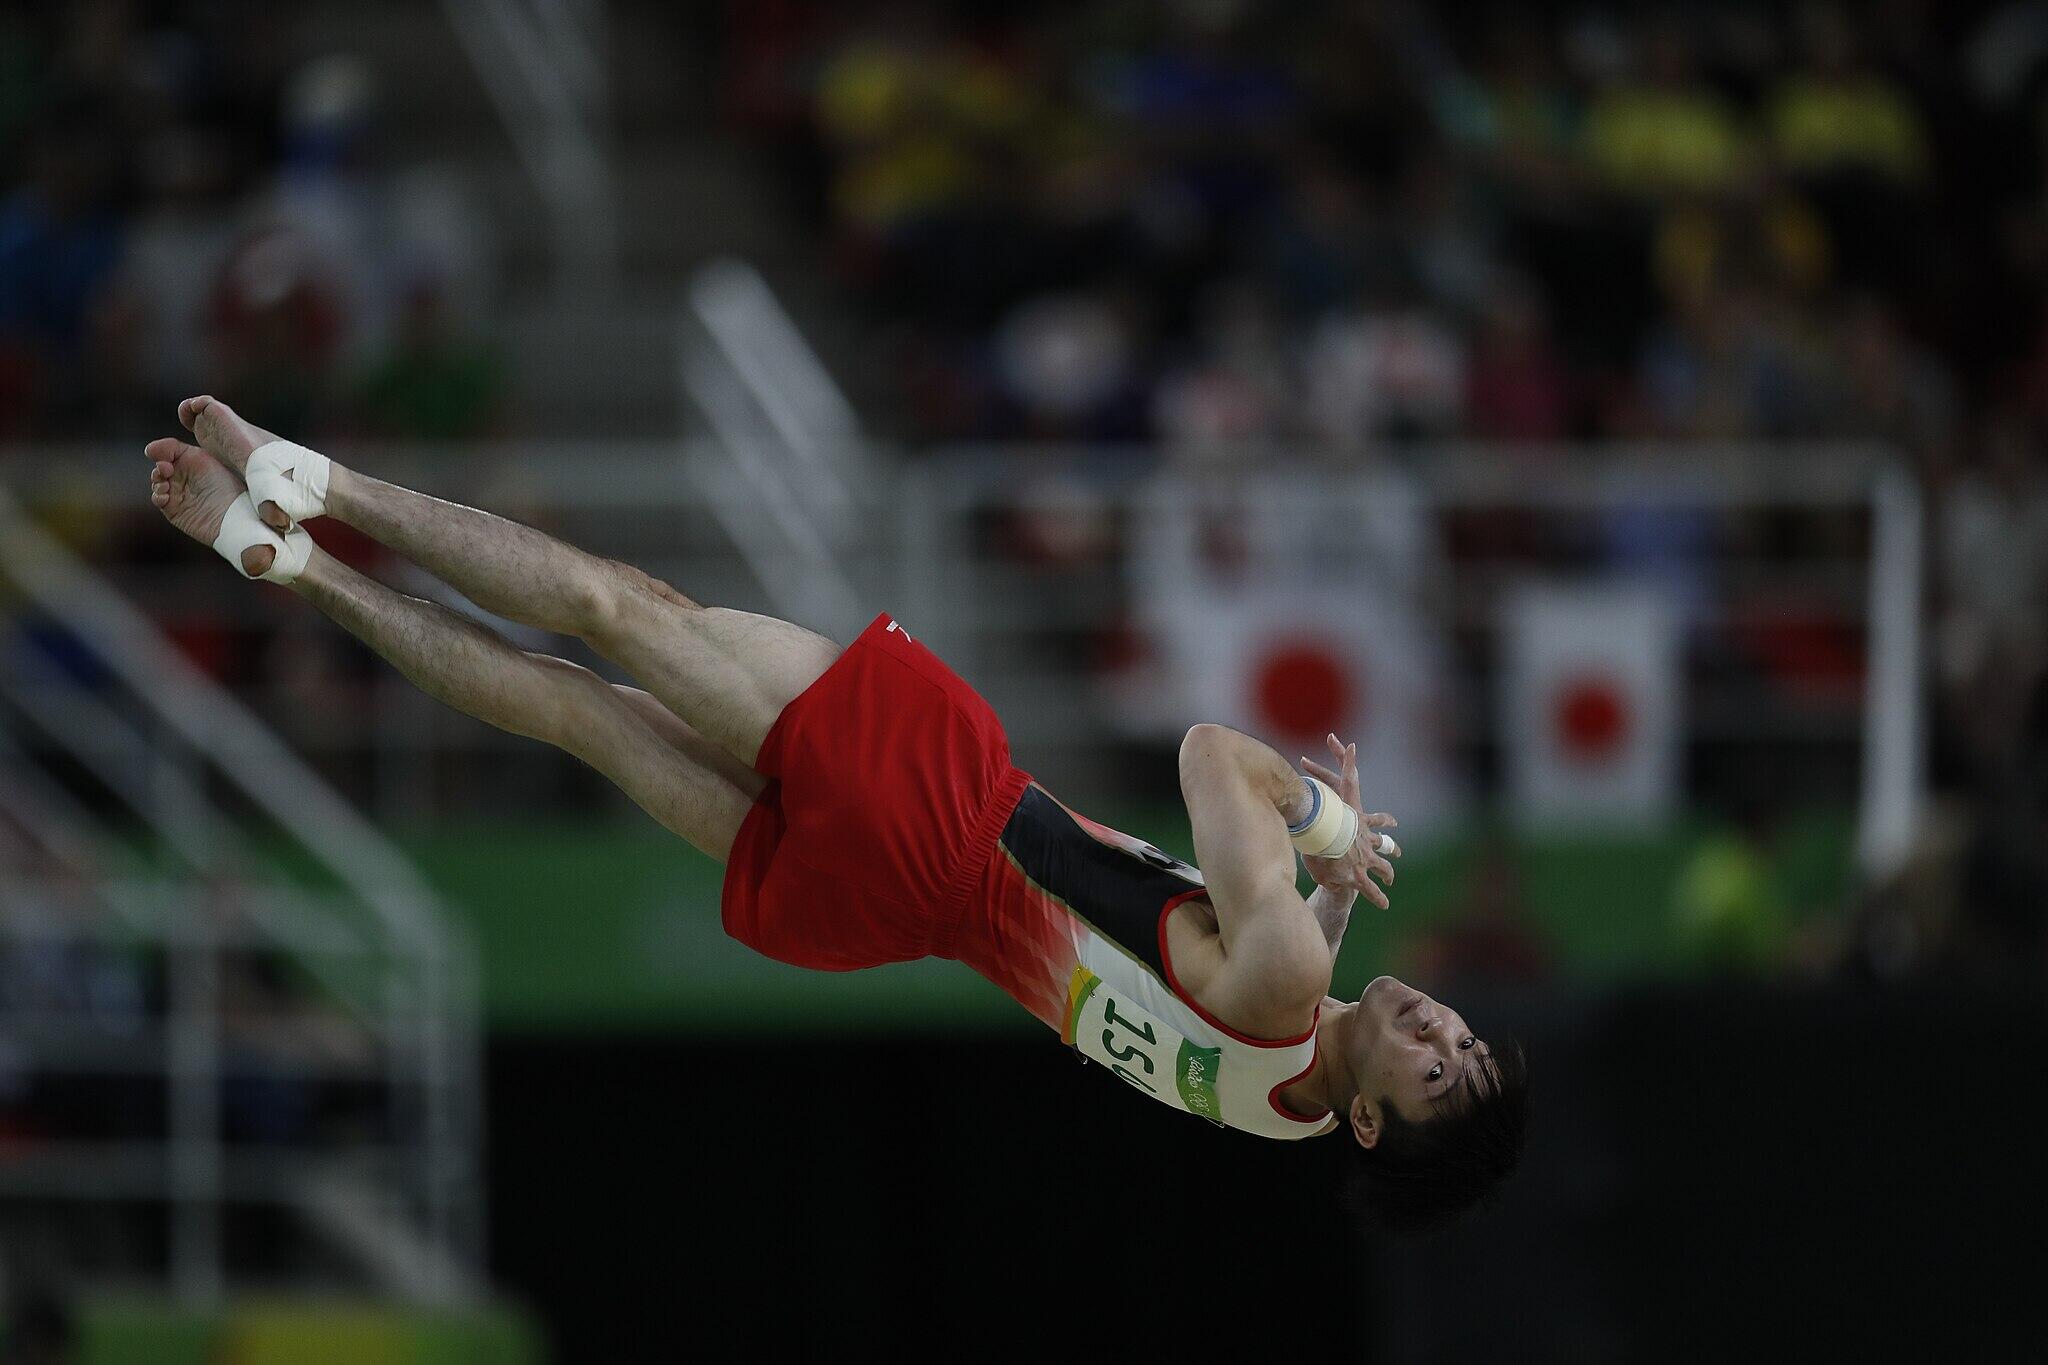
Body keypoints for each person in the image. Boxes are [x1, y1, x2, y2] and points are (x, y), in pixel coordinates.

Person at [144, 396, 1527, 1232]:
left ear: (1369, 1124)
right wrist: (1319, 889)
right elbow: (1256, 992)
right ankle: (285, 565)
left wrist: (1326, 833)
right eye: (1460, 1033)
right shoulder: (1287, 1109)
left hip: (946, 810)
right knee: (578, 708)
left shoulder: (1291, 979)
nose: (1434, 1027)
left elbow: (1213, 752)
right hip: (873, 920)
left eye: (1432, 1069)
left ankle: (313, 482)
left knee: (626, 612)